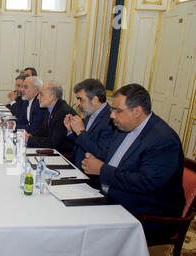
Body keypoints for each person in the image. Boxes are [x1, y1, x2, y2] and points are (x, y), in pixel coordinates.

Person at [81, 83, 185, 238]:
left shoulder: (163, 140)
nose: (112, 116)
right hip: (115, 195)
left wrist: (101, 170)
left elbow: (146, 182)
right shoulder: (123, 126)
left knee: (86, 230)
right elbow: (110, 156)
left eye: (117, 111)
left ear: (137, 111)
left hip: (147, 210)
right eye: (112, 110)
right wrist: (95, 160)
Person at [64, 79, 115, 171]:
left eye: (81, 99)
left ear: (95, 100)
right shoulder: (90, 113)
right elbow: (81, 142)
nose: (78, 104)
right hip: (77, 168)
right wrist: (71, 131)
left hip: (92, 177)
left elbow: (100, 153)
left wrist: (81, 131)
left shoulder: (110, 120)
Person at [25, 81, 77, 155]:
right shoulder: (50, 108)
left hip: (62, 156)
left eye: (41, 94)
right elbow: (43, 129)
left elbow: (53, 142)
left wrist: (28, 140)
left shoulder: (63, 112)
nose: (38, 97)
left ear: (51, 97)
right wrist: (30, 135)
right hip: (51, 151)